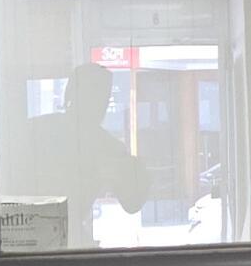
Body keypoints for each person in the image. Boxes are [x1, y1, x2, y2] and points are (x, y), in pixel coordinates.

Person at [18, 63, 152, 224]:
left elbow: (132, 203)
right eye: (91, 93)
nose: (98, 103)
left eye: (102, 95)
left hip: (56, 230)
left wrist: (131, 171)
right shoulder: (37, 130)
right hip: (27, 224)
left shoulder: (110, 148)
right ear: (70, 94)